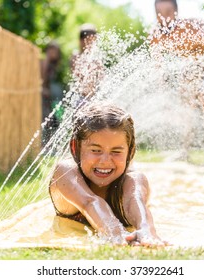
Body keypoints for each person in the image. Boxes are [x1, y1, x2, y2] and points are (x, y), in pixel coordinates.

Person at [49, 103, 166, 246]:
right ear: (75, 146)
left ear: (130, 151)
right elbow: (90, 202)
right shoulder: (66, 173)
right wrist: (117, 234)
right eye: (95, 150)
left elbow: (134, 200)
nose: (105, 161)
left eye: (116, 152)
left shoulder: (134, 180)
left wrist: (147, 232)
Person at [151, 0, 204, 167]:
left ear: (176, 12)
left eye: (168, 12)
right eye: (159, 13)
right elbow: (158, 67)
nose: (163, 17)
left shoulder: (191, 28)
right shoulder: (156, 35)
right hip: (189, 67)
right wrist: (162, 93)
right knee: (186, 110)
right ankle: (184, 151)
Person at [69, 23, 105, 100]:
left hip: (94, 96)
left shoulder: (96, 59)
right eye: (88, 40)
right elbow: (77, 74)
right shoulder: (75, 56)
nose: (91, 44)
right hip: (79, 96)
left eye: (93, 41)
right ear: (81, 41)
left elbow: (101, 77)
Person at [40, 41, 64, 142]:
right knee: (45, 118)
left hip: (55, 97)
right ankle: (44, 142)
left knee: (55, 119)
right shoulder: (44, 62)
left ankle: (52, 141)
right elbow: (42, 79)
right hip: (45, 96)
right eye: (51, 50)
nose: (53, 53)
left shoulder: (57, 65)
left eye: (55, 51)